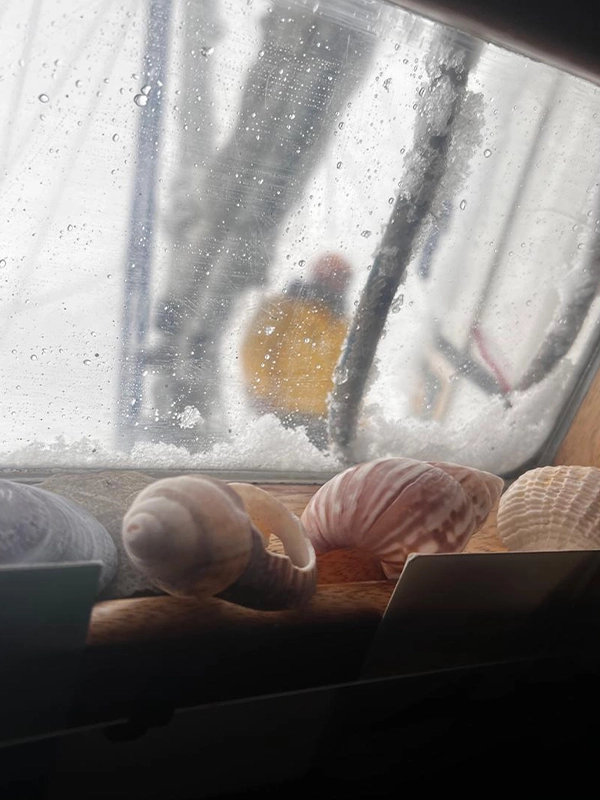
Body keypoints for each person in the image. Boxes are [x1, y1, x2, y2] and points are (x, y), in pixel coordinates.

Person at [240, 253, 353, 449]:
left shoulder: (342, 321)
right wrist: (261, 392)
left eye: (344, 276)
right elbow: (255, 349)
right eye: (334, 274)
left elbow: (349, 370)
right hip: (285, 410)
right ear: (319, 275)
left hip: (327, 418)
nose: (339, 281)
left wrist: (354, 414)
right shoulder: (284, 306)